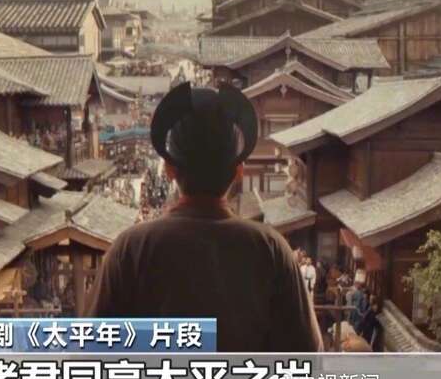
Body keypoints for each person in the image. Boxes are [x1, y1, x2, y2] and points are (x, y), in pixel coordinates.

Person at [85, 82, 323, 352]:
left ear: (169, 169)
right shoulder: (271, 249)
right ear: (239, 171)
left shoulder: (131, 249)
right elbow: (306, 357)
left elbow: (92, 355)